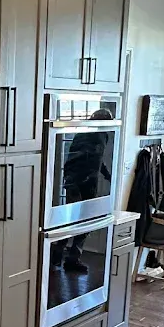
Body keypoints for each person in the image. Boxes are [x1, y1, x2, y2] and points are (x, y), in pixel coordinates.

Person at [52, 108, 113, 274]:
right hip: (76, 182)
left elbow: (97, 159)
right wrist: (73, 181)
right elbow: (73, 159)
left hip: (89, 183)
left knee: (85, 222)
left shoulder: (102, 135)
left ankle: (72, 259)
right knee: (71, 220)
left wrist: (108, 175)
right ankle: (56, 256)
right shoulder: (84, 135)